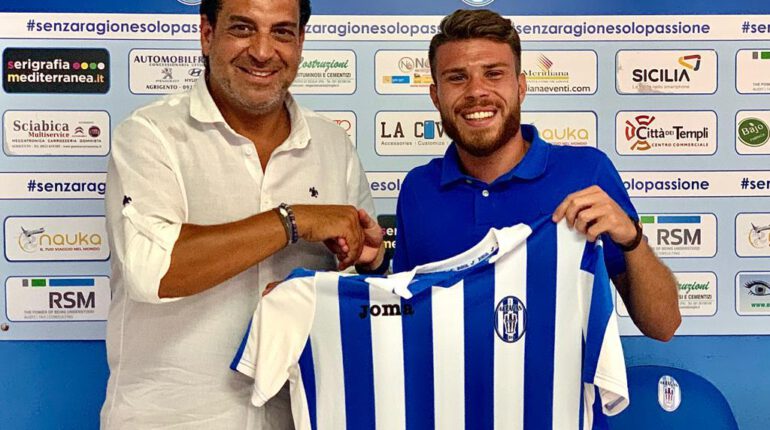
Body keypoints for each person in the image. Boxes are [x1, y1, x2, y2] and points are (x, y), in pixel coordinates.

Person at [100, 0, 385, 428]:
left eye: (282, 32)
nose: (263, 51)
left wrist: (369, 265)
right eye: (243, 29)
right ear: (207, 34)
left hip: (300, 418)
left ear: (300, 42)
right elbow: (151, 270)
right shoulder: (150, 136)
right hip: (172, 420)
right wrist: (292, 221)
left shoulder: (333, 145)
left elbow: (358, 301)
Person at [393, 9, 680, 342]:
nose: (476, 91)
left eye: (493, 74)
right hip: (446, 378)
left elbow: (663, 326)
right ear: (435, 96)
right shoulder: (418, 188)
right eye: (457, 78)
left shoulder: (587, 171)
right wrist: (371, 269)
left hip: (563, 379)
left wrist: (631, 238)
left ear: (521, 87)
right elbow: (404, 318)